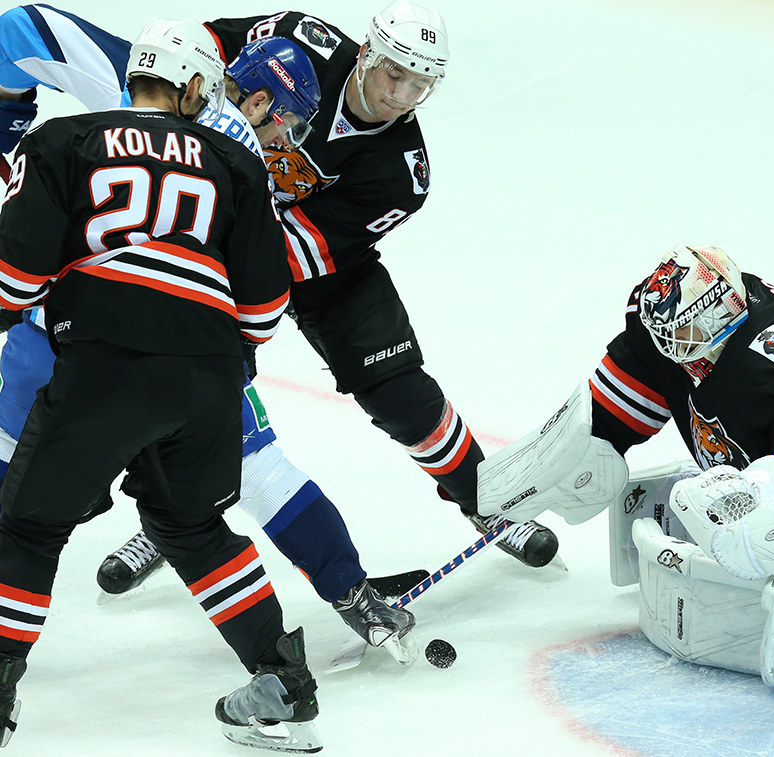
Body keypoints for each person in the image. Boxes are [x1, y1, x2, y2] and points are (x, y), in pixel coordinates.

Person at [0, 3, 417, 664]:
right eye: (291, 122)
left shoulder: (129, 91)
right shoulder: (248, 168)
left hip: (51, 331)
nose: (292, 142)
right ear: (256, 103)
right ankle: (337, 610)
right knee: (244, 480)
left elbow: (19, 30)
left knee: (16, 499)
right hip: (181, 357)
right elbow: (260, 304)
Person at [0, 18, 320, 750]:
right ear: (196, 87)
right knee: (191, 527)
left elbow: (14, 276)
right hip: (208, 375)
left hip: (101, 362)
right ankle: (282, 686)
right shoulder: (238, 165)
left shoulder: (62, 142)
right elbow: (266, 311)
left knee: (25, 527)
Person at [474, 243, 774, 691]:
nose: (677, 349)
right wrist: (572, 458)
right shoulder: (663, 325)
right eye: (669, 335)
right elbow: (619, 400)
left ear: (728, 310)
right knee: (735, 507)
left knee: (760, 537)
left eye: (688, 334)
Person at [201, 2, 559, 568]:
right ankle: (176, 513)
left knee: (401, 391)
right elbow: (199, 49)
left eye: (420, 85)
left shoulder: (403, 171)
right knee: (187, 376)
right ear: (368, 53)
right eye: (395, 74)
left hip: (317, 264)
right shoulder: (303, 41)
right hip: (216, 231)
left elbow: (293, 254)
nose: (401, 96)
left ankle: (483, 498)